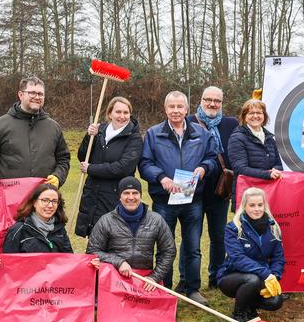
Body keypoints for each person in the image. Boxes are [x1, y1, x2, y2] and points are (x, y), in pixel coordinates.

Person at [140, 91, 219, 306]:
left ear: (186, 109)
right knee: (165, 247)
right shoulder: (154, 134)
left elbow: (212, 159)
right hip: (164, 201)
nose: (175, 111)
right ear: (165, 109)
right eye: (171, 107)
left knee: (192, 246)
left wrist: (204, 169)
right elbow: (145, 163)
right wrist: (161, 177)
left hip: (192, 200)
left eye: (179, 107)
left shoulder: (201, 134)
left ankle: (191, 288)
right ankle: (164, 287)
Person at [0, 76, 70, 192]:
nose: (37, 97)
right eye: (32, 93)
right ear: (21, 95)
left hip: (43, 198)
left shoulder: (53, 127)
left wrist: (58, 176)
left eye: (40, 94)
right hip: (9, 198)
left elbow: (63, 159)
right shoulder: (1, 125)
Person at [186, 86, 239, 291]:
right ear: (200, 100)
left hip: (220, 190)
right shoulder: (188, 122)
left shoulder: (231, 124)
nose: (212, 104)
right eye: (208, 99)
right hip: (194, 190)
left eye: (217, 101)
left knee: (219, 236)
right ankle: (189, 280)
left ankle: (216, 276)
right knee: (192, 238)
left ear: (222, 103)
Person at [86, 177, 176, 290]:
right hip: (113, 280)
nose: (131, 197)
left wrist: (155, 277)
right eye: (126, 193)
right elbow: (92, 251)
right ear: (119, 196)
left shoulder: (156, 220)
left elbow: (168, 250)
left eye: (135, 193)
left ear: (141, 195)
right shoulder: (106, 221)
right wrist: (119, 262)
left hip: (144, 280)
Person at [75, 96, 143, 237]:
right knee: (94, 238)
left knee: (112, 238)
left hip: (114, 195)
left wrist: (91, 169)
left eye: (126, 112)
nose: (122, 116)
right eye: (118, 112)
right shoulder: (99, 131)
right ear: (110, 114)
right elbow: (83, 156)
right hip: (93, 193)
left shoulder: (134, 137)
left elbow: (123, 167)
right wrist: (89, 136)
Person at [0, 183, 98, 269]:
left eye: (54, 201)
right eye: (45, 200)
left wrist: (88, 265)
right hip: (26, 292)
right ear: (34, 202)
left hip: (54, 290)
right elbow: (7, 266)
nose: (50, 205)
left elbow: (69, 262)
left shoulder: (60, 230)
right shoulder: (18, 230)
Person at [216, 187, 285, 322]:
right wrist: (266, 274)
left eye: (260, 205)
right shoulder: (233, 228)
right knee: (252, 280)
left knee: (276, 301)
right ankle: (238, 316)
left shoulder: (273, 227)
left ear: (265, 205)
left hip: (261, 276)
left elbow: (278, 258)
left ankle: (250, 307)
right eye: (252, 205)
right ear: (244, 206)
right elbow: (238, 259)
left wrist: (275, 276)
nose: (257, 209)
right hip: (231, 277)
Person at [227, 98, 283, 184]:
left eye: (259, 113)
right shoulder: (237, 138)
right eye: (251, 113)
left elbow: (279, 165)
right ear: (244, 117)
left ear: (264, 116)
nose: (256, 116)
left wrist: (276, 170)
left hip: (269, 189)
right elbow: (240, 169)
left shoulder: (270, 139)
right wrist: (267, 174)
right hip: (247, 192)